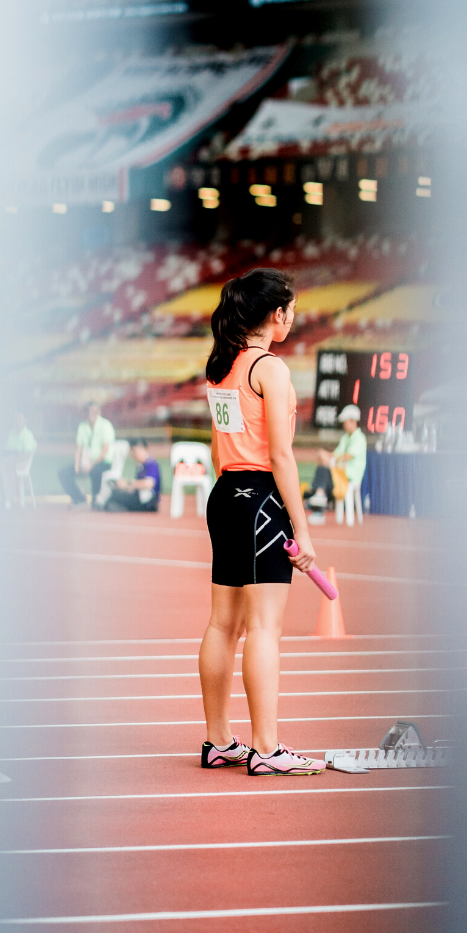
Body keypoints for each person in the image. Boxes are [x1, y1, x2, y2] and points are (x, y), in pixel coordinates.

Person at [198, 268, 324, 777]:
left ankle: (218, 741)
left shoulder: (221, 365)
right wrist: (302, 527)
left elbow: (216, 449)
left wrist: (236, 496)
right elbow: (282, 456)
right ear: (277, 314)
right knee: (265, 627)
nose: (293, 318)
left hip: (225, 495)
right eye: (291, 310)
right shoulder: (270, 369)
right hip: (261, 501)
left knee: (221, 624)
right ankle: (267, 749)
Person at [306, 403, 367, 523]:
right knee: (324, 468)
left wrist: (329, 459)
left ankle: (318, 498)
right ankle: (319, 498)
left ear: (353, 421)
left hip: (350, 475)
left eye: (345, 421)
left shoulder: (360, 438)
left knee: (324, 470)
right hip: (339, 473)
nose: (344, 424)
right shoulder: (345, 438)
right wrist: (325, 454)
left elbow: (346, 456)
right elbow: (336, 454)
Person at [58, 401, 115, 507]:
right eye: (89, 411)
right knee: (63, 472)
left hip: (102, 462)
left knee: (95, 471)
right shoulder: (82, 426)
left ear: (99, 412)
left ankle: (96, 499)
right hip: (86, 462)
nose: (91, 414)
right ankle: (78, 497)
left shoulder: (106, 425)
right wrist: (77, 465)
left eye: (94, 411)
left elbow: (105, 450)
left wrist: (91, 465)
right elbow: (78, 448)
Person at [104, 439, 161, 512]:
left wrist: (127, 483)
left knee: (116, 497)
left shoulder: (151, 463)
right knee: (116, 493)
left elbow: (148, 483)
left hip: (148, 502)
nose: (133, 454)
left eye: (134, 451)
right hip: (140, 497)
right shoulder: (140, 465)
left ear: (142, 449)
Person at [1, 412, 37, 508]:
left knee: (5, 467)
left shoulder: (27, 435)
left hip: (22, 462)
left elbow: (25, 455)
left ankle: (8, 498)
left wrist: (12, 459)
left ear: (25, 421)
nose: (16, 422)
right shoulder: (12, 433)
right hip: (10, 460)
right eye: (15, 419)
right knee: (3, 465)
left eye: (19, 419)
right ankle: (6, 496)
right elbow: (7, 450)